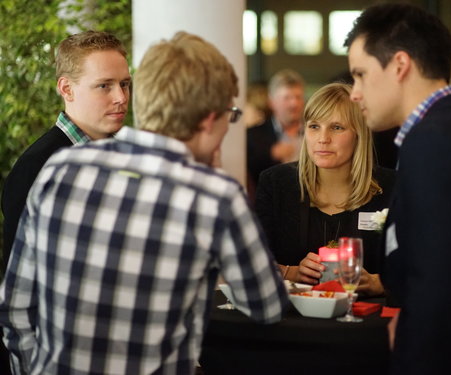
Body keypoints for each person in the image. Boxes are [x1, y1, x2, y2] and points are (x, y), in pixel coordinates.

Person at [0, 31, 289, 375]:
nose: (119, 97)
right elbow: (267, 306)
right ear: (212, 118)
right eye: (232, 114)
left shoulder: (61, 168)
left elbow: (15, 307)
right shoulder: (215, 195)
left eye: (125, 85)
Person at [345, 3, 451, 374]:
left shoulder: (434, 140)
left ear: (400, 65)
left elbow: (440, 284)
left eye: (360, 74)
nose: (354, 92)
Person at [1, 30, 131, 269]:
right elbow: (18, 280)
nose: (121, 97)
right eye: (104, 85)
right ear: (67, 89)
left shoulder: (127, 155)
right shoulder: (36, 168)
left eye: (124, 84)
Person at [255, 82, 395, 296]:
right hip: (293, 321)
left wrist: (378, 282)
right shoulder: (276, 184)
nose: (323, 139)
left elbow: (422, 263)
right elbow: (252, 262)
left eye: (337, 127)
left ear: (359, 134)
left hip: (367, 321)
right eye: (314, 126)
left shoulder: (393, 187)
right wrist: (291, 272)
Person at [247, 69, 305, 191]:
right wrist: (270, 155)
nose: (294, 104)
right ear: (271, 102)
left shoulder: (315, 132)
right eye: (287, 98)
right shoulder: (253, 135)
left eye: (298, 97)